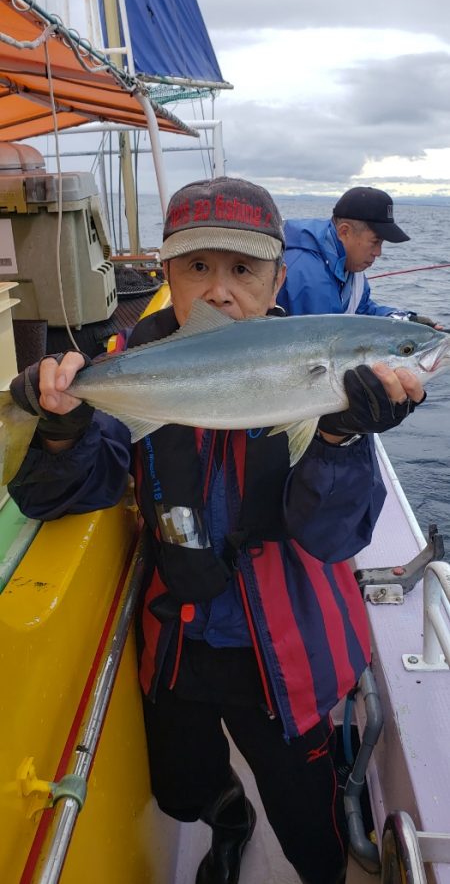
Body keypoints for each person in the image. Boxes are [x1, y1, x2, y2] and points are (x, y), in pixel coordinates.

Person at [8, 177, 427, 884]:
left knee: (308, 818)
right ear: (167, 276)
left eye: (242, 270)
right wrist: (59, 429)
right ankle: (229, 819)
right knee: (184, 784)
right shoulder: (136, 364)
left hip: (285, 656)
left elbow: (334, 538)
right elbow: (65, 494)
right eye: (197, 268)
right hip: (179, 642)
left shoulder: (314, 375)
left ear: (278, 280)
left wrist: (341, 438)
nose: (220, 291)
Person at [277, 185, 440, 327]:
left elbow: (362, 310)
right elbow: (326, 340)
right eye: (375, 242)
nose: (378, 252)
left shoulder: (348, 266)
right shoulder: (307, 274)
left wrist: (406, 321)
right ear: (344, 232)